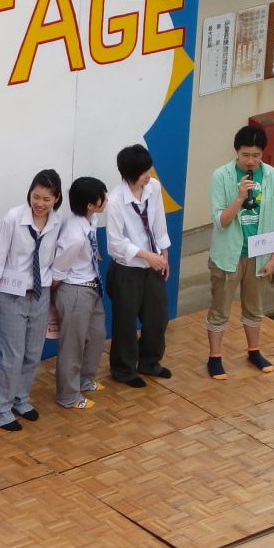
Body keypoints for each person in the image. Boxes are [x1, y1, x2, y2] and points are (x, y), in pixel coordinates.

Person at [0, 169, 63, 431]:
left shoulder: (57, 223)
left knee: (33, 353)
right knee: (11, 355)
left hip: (40, 294)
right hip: (11, 295)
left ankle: (20, 398)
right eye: (36, 196)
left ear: (56, 199)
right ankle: (0, 409)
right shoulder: (12, 219)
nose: (39, 203)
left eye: (46, 199)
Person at [206, 125, 274, 379]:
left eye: (256, 155)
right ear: (237, 152)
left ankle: (254, 351)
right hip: (228, 254)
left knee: (254, 307)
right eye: (245, 155)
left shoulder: (273, 177)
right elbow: (220, 221)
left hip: (260, 254)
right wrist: (240, 197)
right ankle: (215, 357)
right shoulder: (221, 176)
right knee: (220, 308)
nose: (251, 161)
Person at [105, 145, 172, 387]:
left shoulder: (154, 188)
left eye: (149, 169)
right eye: (144, 172)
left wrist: (164, 256)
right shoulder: (115, 201)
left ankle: (149, 362)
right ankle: (123, 369)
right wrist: (146, 256)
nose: (149, 175)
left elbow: (159, 223)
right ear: (130, 174)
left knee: (158, 318)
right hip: (127, 269)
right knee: (125, 323)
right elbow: (115, 243)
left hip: (153, 264)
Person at [51, 177, 108, 407]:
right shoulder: (74, 235)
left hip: (92, 286)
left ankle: (85, 380)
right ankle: (68, 395)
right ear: (90, 205)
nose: (106, 200)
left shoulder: (90, 220)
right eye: (102, 197)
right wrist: (56, 297)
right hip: (75, 291)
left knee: (97, 336)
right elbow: (58, 271)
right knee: (72, 346)